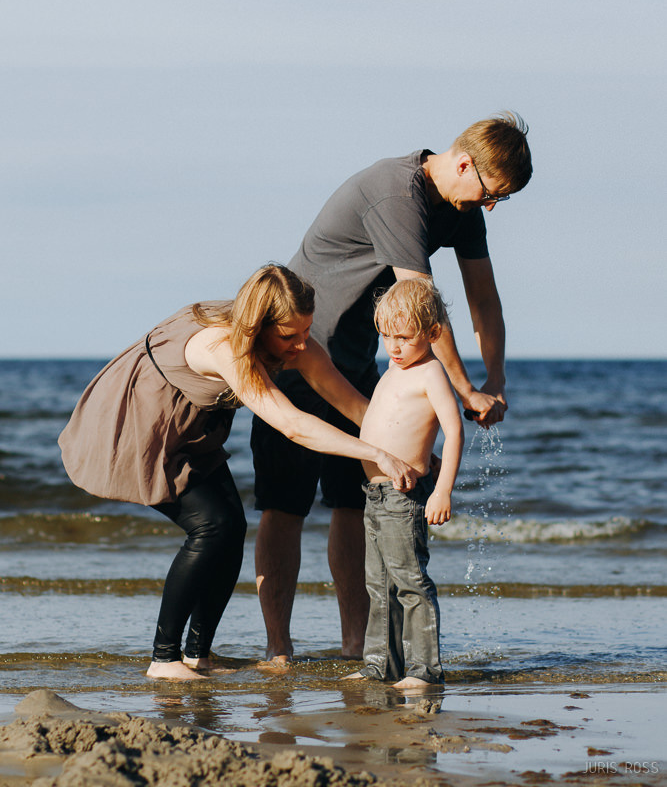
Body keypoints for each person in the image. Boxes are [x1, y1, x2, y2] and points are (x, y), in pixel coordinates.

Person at [251, 111, 532, 664]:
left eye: (502, 199)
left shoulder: (462, 208)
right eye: (490, 192)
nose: (491, 206)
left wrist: (494, 379)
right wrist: (464, 390)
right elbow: (424, 304)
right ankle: (278, 648)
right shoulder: (396, 193)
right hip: (300, 353)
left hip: (363, 366)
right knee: (285, 505)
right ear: (462, 162)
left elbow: (484, 300)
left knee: (356, 504)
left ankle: (357, 644)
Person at [58, 265, 418, 681]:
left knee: (229, 527)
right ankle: (163, 659)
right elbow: (293, 424)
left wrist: (401, 447)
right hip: (143, 424)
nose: (302, 344)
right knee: (212, 526)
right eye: (288, 336)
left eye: (306, 330)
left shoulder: (292, 340)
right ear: (259, 324)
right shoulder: (223, 347)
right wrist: (373, 452)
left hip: (193, 431)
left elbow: (351, 403)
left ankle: (197, 655)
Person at [348, 279, 463, 688]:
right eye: (386, 336)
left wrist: (443, 488)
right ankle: (381, 665)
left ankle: (424, 670)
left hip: (403, 496)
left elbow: (453, 431)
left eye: (403, 337)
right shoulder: (394, 370)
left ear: (432, 334)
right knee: (378, 584)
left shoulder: (431, 373)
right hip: (374, 495)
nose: (393, 347)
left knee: (411, 583)